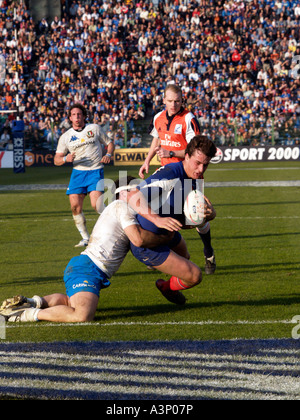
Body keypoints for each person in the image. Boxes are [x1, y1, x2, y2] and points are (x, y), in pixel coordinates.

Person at [0, 177, 183, 323]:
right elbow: (138, 239)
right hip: (88, 268)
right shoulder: (122, 206)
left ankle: (31, 302)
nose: (142, 197)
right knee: (82, 315)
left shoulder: (120, 208)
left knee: (71, 302)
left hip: (87, 266)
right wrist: (164, 237)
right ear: (127, 193)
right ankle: (24, 315)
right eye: (138, 193)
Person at [131, 135, 217, 303]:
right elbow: (132, 196)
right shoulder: (170, 174)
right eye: (197, 163)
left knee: (185, 257)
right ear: (186, 156)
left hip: (167, 233)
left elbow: (184, 222)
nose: (200, 169)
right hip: (147, 239)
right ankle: (167, 288)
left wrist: (207, 216)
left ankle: (167, 287)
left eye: (205, 165)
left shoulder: (195, 178)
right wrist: (156, 220)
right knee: (194, 276)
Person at [139, 86, 217, 274]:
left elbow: (195, 149)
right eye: (170, 101)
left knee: (197, 217)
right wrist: (147, 161)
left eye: (178, 101)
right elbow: (156, 141)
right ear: (163, 100)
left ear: (182, 100)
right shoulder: (158, 117)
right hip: (166, 175)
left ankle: (208, 252)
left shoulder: (188, 119)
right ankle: (157, 254)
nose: (174, 104)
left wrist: (171, 152)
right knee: (160, 216)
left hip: (188, 174)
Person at [54, 103, 115, 248]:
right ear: (70, 117)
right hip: (77, 173)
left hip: (95, 170)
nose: (76, 117)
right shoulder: (66, 137)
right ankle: (86, 238)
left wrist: (108, 154)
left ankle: (115, 228)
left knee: (97, 205)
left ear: (84, 116)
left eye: (79, 114)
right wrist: (64, 159)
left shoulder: (94, 129)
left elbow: (110, 143)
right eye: (73, 115)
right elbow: (56, 159)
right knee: (75, 207)